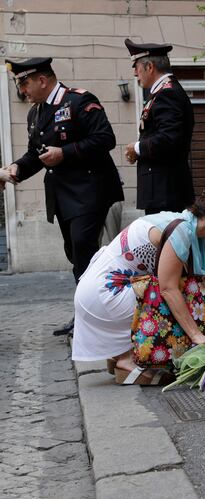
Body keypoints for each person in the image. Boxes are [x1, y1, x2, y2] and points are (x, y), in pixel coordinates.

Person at [71, 191, 205, 385]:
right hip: (105, 295)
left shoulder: (187, 226)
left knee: (192, 290)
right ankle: (126, 360)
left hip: (99, 292)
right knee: (183, 293)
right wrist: (197, 336)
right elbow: (168, 289)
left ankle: (120, 353)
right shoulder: (181, 231)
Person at [1, 57, 124, 336]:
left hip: (90, 191)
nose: (22, 91)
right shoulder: (36, 113)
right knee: (76, 254)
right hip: (63, 198)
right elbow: (37, 154)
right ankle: (87, 312)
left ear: (42, 80)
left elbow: (106, 138)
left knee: (84, 249)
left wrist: (64, 153)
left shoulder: (79, 101)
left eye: (25, 83)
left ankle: (94, 317)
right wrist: (16, 169)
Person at [123, 39, 195, 215]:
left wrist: (137, 148)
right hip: (163, 190)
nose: (135, 73)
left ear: (149, 67)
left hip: (166, 190)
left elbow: (170, 138)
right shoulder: (161, 92)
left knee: (166, 241)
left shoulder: (167, 93)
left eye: (137, 67)